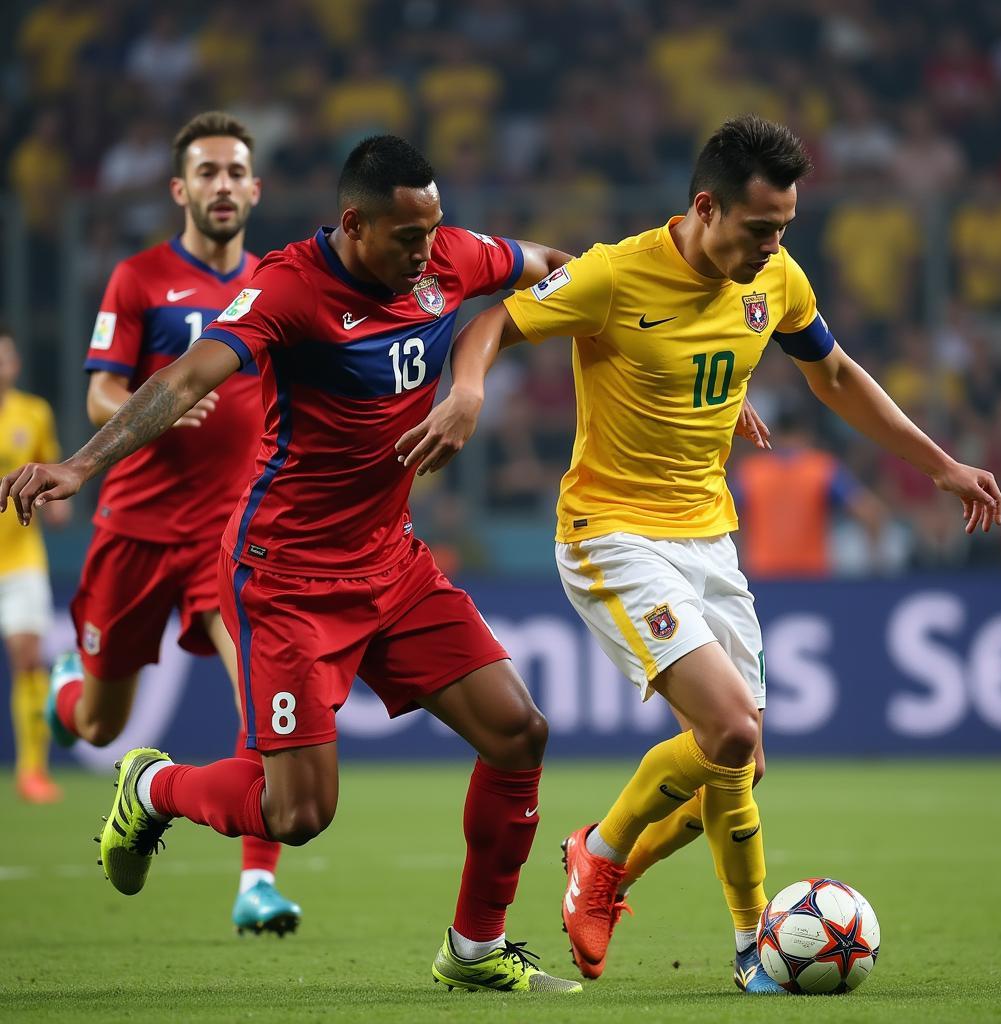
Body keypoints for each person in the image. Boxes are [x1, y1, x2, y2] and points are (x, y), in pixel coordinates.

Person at [394, 115, 1001, 993]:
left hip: (707, 536)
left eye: (785, 228)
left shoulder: (774, 279)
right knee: (730, 728)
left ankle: (724, 930)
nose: (774, 247)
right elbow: (490, 323)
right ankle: (605, 857)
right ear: (706, 207)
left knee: (739, 759)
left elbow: (832, 374)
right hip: (611, 532)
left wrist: (938, 464)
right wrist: (469, 392)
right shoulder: (612, 272)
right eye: (760, 229)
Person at [0, 135, 586, 994]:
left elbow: (558, 272)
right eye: (406, 236)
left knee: (518, 732)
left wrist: (471, 380)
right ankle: (155, 788)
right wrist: (81, 465)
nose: (427, 251)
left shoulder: (449, 256)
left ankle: (474, 950)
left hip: (392, 561)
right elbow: (186, 377)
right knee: (301, 814)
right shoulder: (290, 287)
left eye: (434, 230)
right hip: (289, 575)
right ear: (354, 224)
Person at [44, 111, 301, 937]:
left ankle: (255, 885)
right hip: (136, 531)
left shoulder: (275, 284)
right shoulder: (141, 279)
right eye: (207, 172)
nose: (221, 185)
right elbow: (99, 392)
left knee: (264, 702)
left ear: (254, 189)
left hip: (232, 538)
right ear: (180, 188)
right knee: (99, 724)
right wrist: (151, 409)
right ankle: (64, 689)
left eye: (235, 172)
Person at [0, 328, 70, 802]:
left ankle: (32, 770)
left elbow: (47, 467)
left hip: (21, 557)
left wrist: (54, 502)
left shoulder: (34, 413)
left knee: (27, 660)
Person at [732, 406, 888, 578]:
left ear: (772, 433)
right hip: (811, 576)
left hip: (763, 574)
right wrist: (875, 568)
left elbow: (726, 515)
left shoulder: (752, 471)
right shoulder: (821, 469)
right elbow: (870, 513)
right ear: (806, 434)